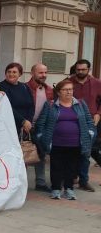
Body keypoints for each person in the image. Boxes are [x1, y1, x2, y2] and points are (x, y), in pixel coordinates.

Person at [36, 79, 95, 200]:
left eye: (70, 89)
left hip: (76, 143)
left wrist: (90, 133)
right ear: (58, 92)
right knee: (56, 167)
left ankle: (69, 189)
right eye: (65, 90)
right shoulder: (50, 105)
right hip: (56, 142)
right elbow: (40, 123)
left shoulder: (80, 104)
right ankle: (56, 189)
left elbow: (89, 121)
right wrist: (41, 136)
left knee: (72, 167)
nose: (69, 92)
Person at [69, 59, 101, 192]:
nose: (80, 72)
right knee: (71, 152)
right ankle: (70, 177)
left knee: (86, 153)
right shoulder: (68, 82)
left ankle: (83, 180)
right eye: (78, 70)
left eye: (83, 69)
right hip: (72, 121)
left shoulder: (97, 83)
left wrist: (98, 114)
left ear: (89, 69)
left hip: (91, 123)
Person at [27, 63, 53, 192]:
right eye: (40, 73)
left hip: (42, 126)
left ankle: (41, 182)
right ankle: (21, 184)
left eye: (45, 72)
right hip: (27, 125)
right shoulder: (25, 88)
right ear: (32, 73)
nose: (44, 75)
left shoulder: (49, 90)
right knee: (24, 153)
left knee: (41, 153)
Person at [0, 62, 34, 134]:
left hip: (26, 127)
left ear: (20, 74)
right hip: (8, 127)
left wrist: (28, 121)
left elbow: (31, 105)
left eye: (14, 72)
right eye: (9, 72)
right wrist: (23, 121)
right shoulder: (0, 86)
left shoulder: (25, 86)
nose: (11, 74)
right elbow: (7, 107)